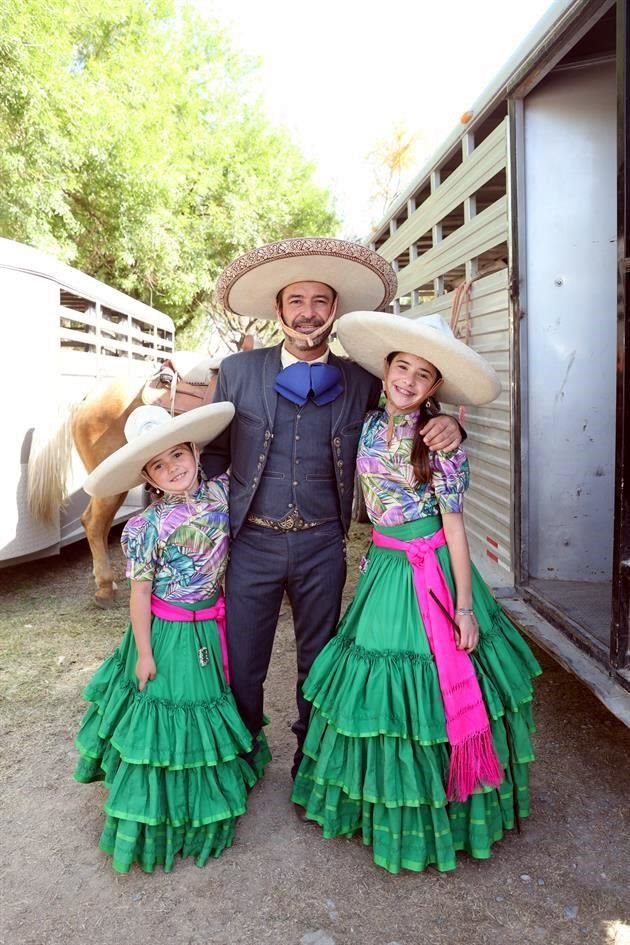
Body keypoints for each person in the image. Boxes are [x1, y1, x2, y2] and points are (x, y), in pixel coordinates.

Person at [201, 237, 464, 784]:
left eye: (320, 300)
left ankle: (311, 760)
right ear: (279, 310)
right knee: (244, 660)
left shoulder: (361, 380)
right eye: (296, 300)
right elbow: (215, 456)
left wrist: (449, 423)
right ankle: (243, 755)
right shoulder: (237, 371)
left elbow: (406, 407)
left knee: (318, 661)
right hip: (254, 541)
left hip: (323, 544)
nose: (308, 312)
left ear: (335, 310)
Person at [291, 311, 542, 873]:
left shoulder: (441, 441)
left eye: (423, 375)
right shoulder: (367, 421)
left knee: (429, 684)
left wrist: (465, 605)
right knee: (380, 690)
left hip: (428, 570)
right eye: (402, 367)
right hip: (382, 566)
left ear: (434, 388)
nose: (408, 380)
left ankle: (446, 809)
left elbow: (454, 527)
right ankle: (384, 802)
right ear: (386, 369)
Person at [74, 402, 269, 873]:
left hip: (213, 624)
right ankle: (160, 811)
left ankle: (206, 796)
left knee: (208, 708)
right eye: (158, 466)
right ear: (149, 477)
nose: (172, 469)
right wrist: (143, 652)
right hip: (168, 632)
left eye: (177, 456)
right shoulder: (145, 527)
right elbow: (139, 594)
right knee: (169, 716)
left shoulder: (225, 495)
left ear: (195, 453)